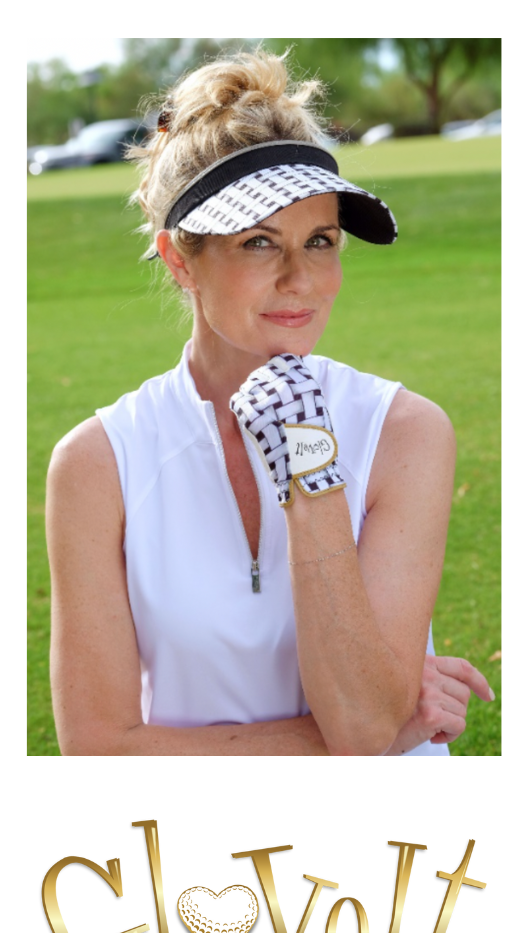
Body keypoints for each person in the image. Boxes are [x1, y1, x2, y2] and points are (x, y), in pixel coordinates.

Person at [45, 51, 492, 756]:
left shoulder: (406, 431)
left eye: (320, 241)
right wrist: (360, 728)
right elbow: (99, 751)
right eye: (259, 243)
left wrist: (305, 450)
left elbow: (364, 723)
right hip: (197, 851)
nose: (300, 279)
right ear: (179, 261)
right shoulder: (98, 462)